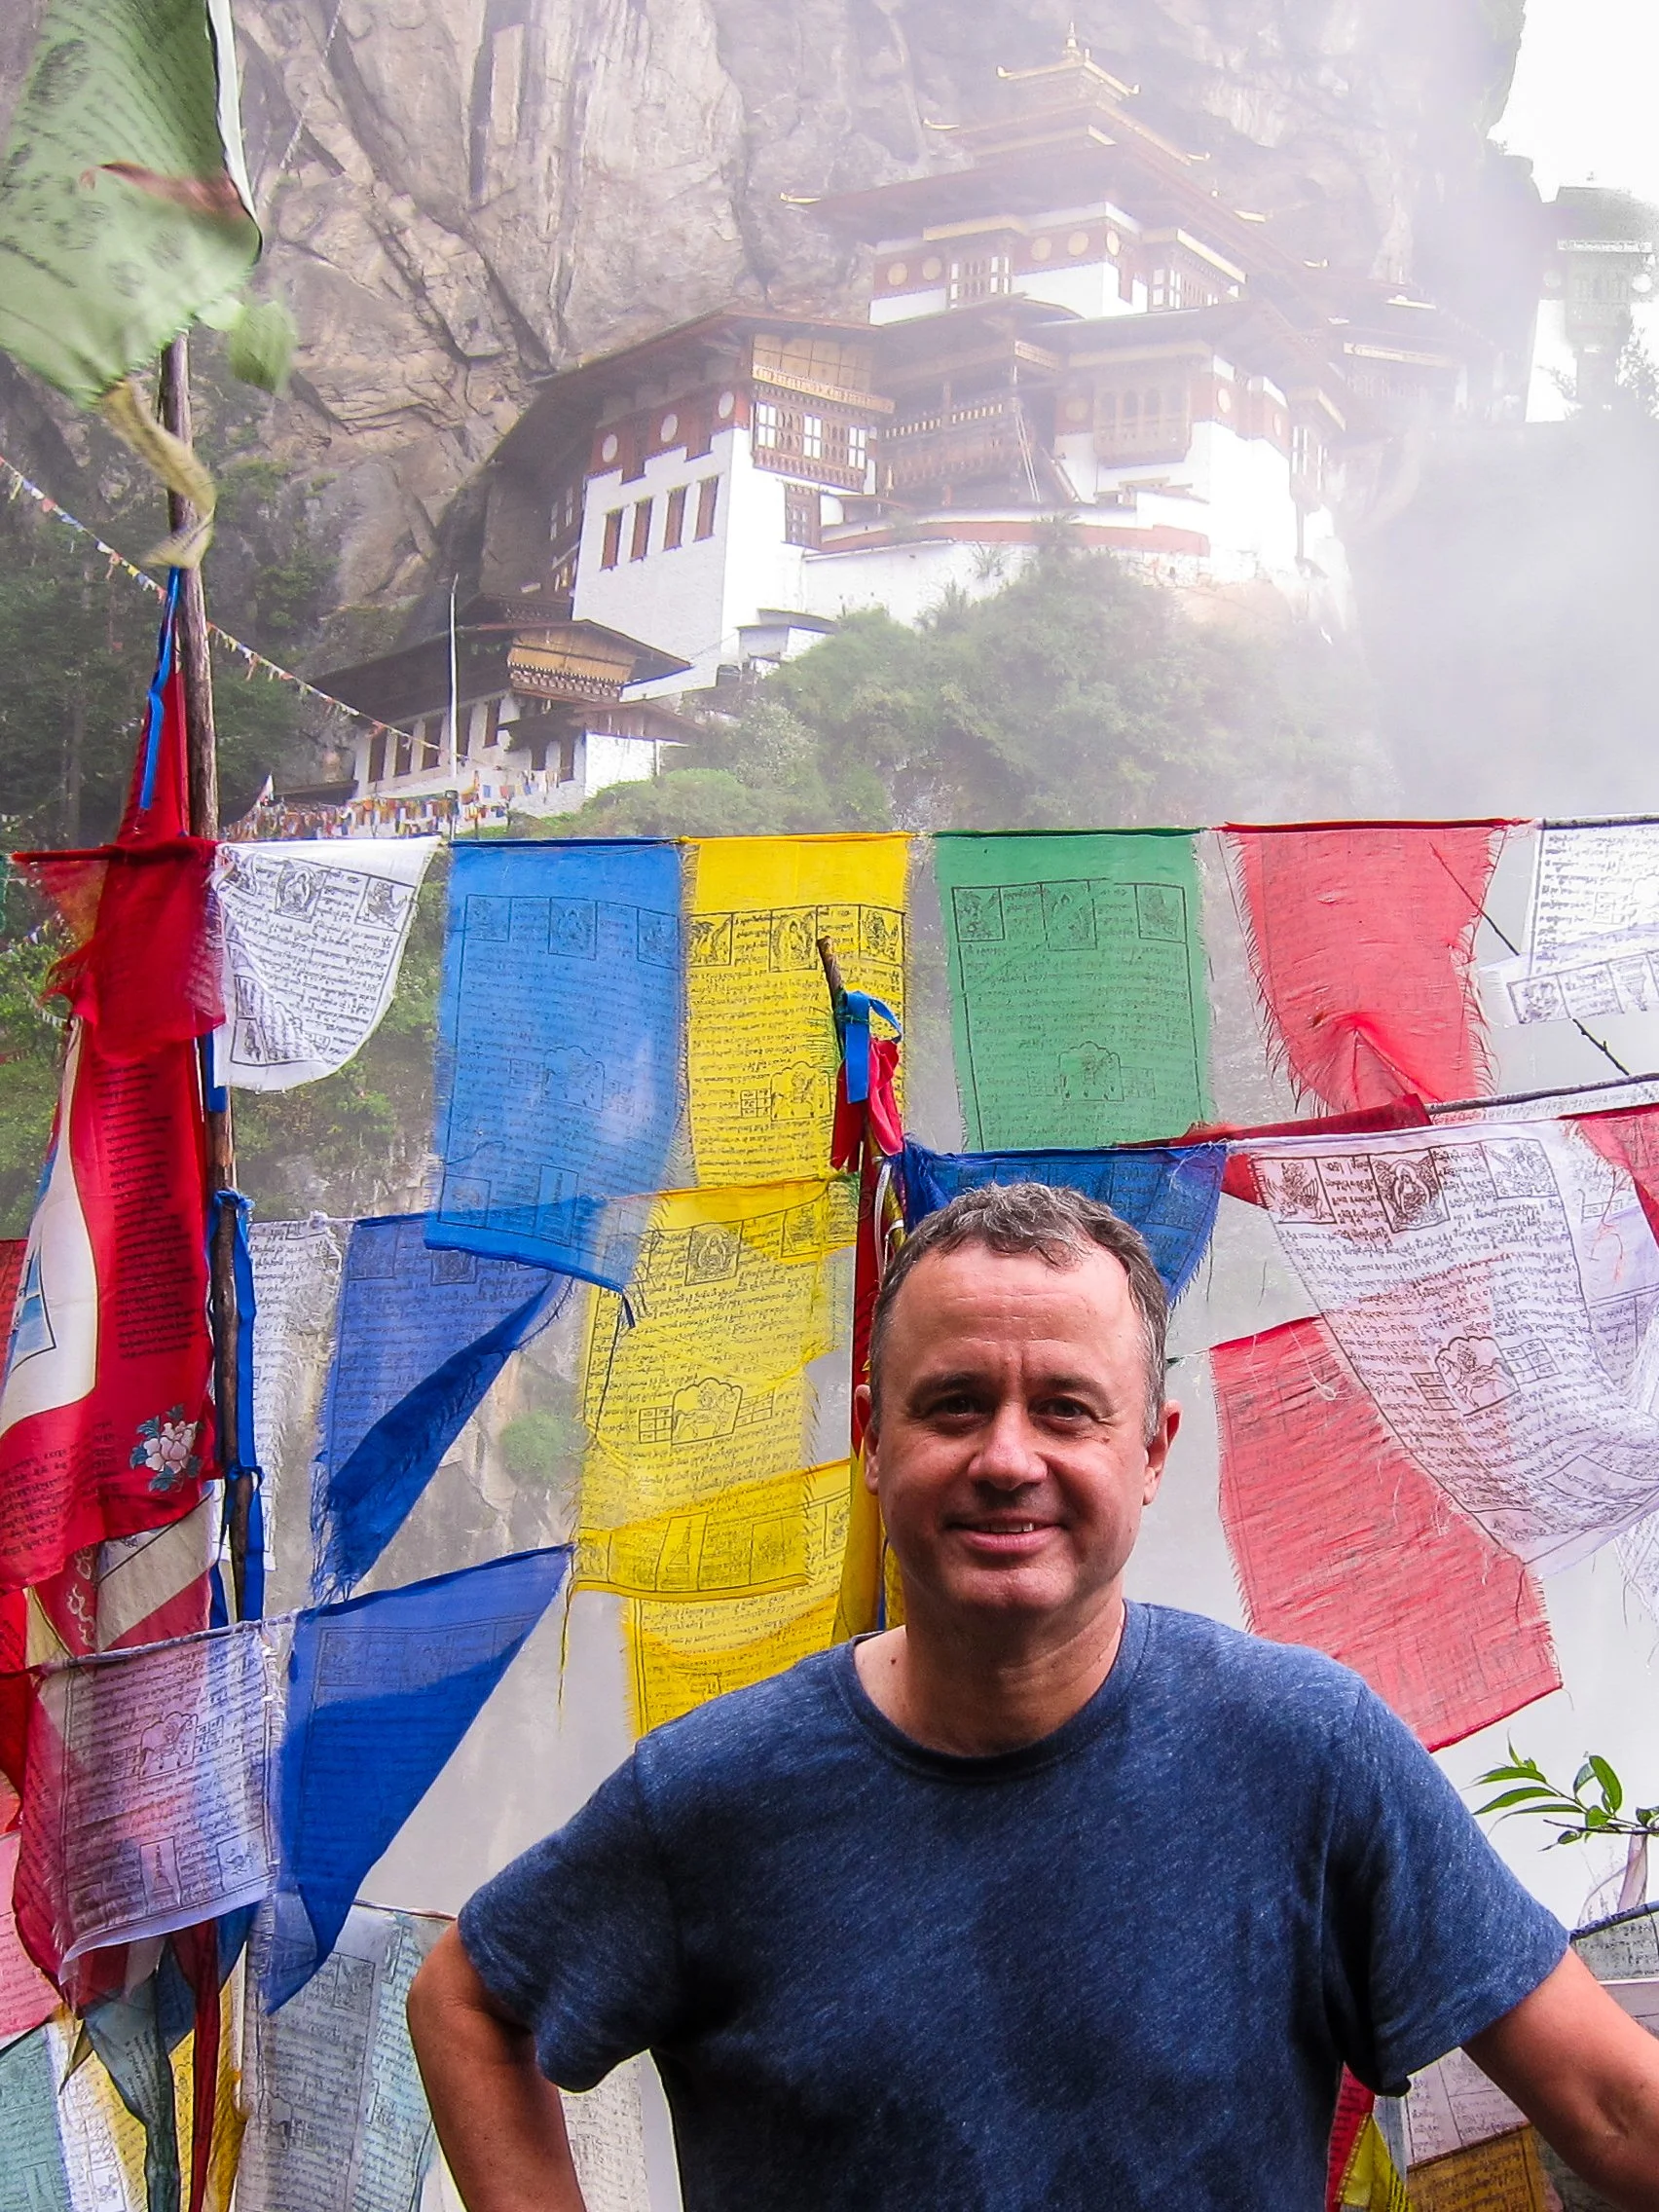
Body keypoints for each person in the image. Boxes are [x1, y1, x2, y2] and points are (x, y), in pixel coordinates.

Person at [408, 1182, 1659, 2210]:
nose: (1009, 1459)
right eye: (955, 1405)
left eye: (1067, 1408)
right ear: (873, 1439)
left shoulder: (1309, 1759)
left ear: (1154, 1448)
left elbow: (1609, 2106)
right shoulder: (717, 1796)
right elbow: (466, 1995)